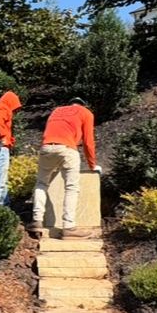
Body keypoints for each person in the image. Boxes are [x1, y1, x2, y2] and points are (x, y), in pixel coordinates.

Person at [31, 97, 101, 238]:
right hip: (67, 149)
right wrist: (92, 164)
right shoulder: (85, 112)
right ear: (83, 105)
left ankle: (37, 220)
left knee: (41, 183)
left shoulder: (56, 111)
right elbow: (88, 141)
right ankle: (69, 227)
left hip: (46, 147)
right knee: (71, 187)